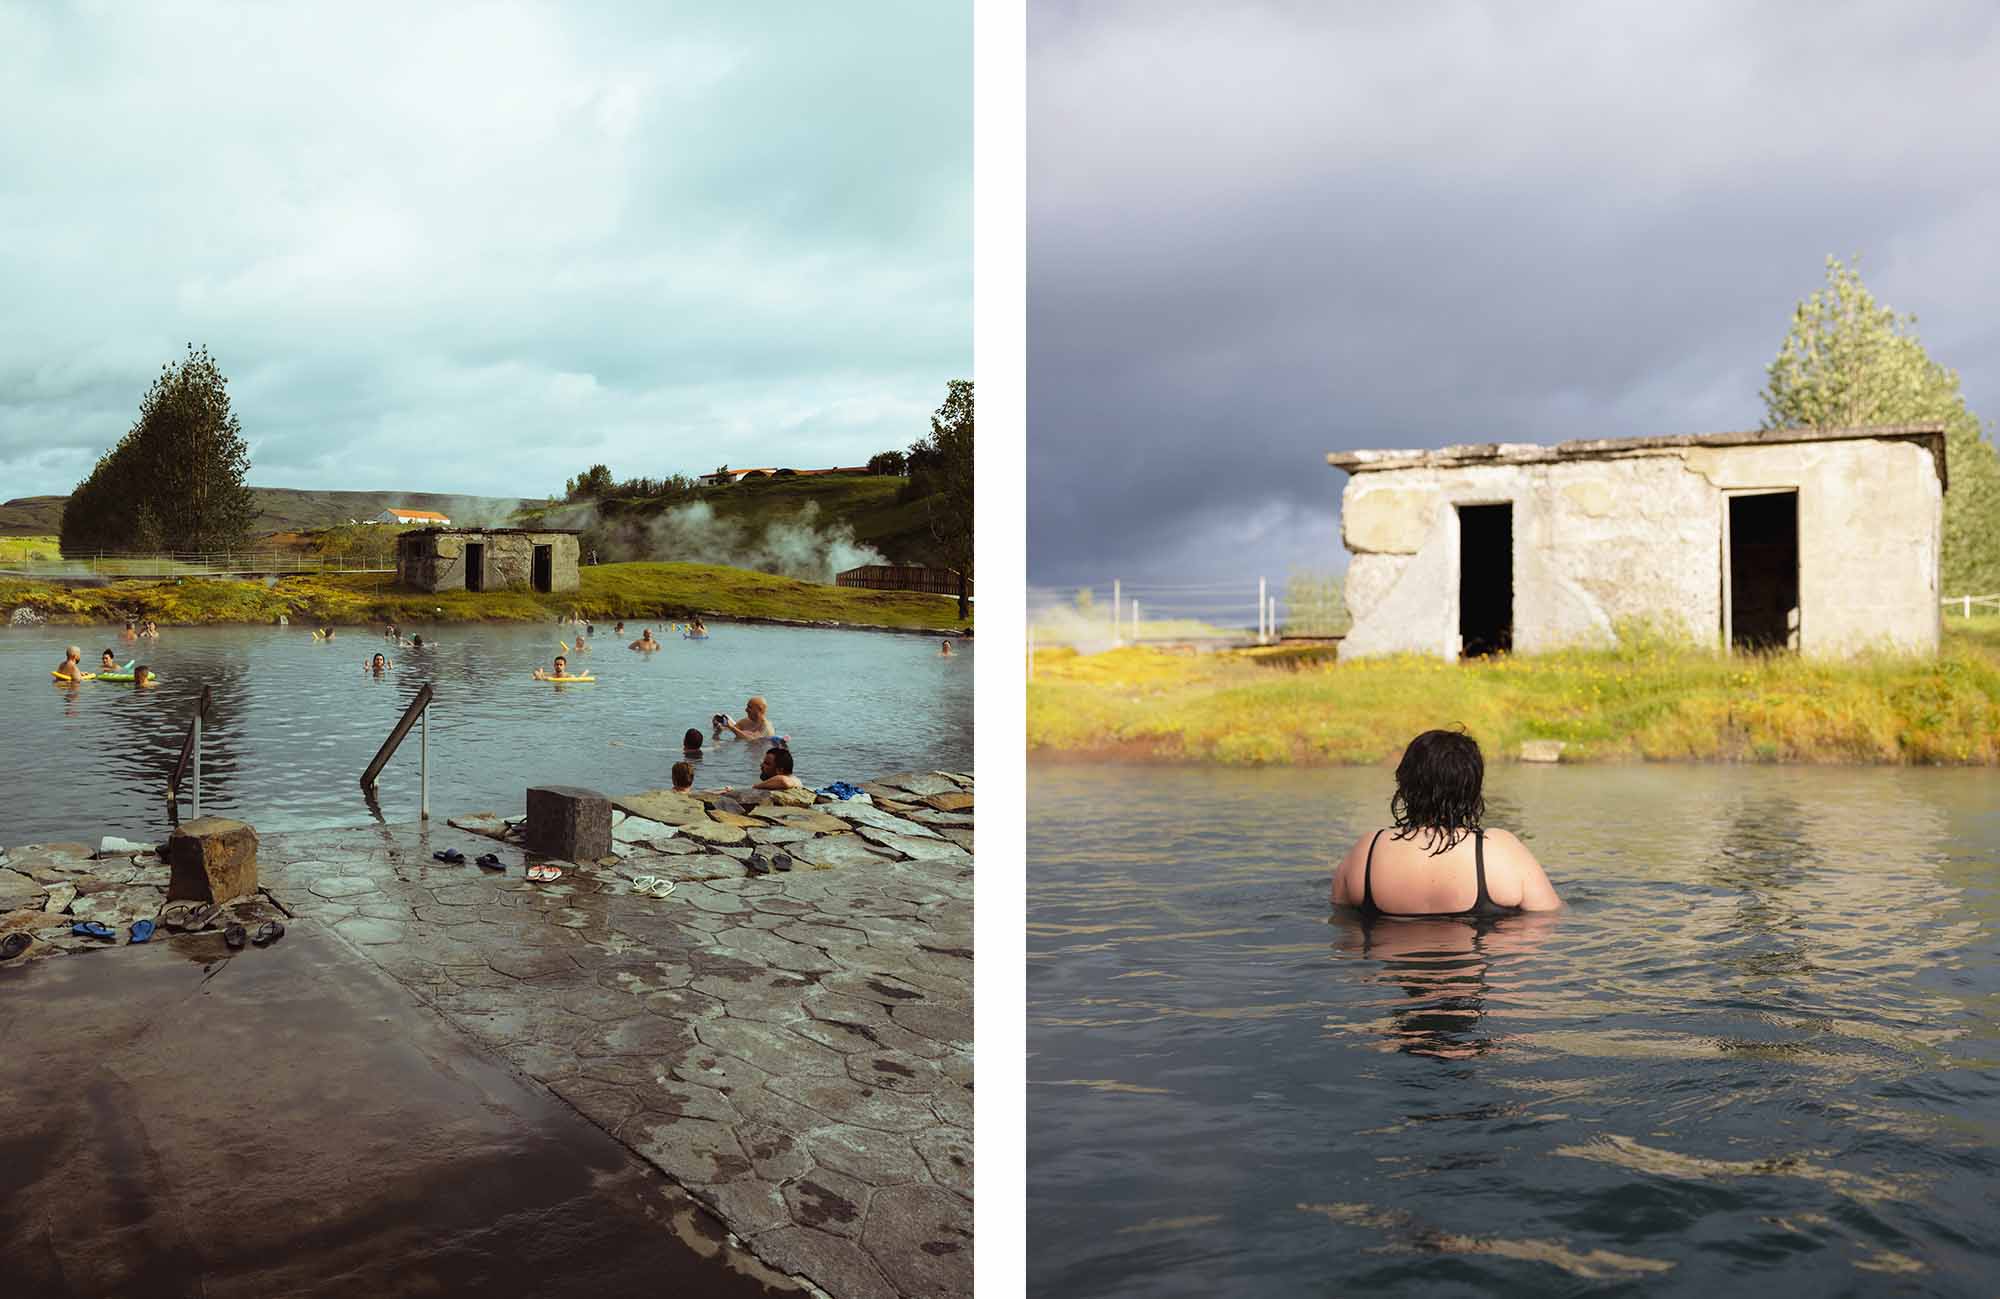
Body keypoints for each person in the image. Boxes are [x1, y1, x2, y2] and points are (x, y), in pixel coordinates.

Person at [1331, 729, 1562, 916]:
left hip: (1393, 971)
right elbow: (1549, 915)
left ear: (1405, 783)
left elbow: (1341, 922)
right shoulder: (1499, 849)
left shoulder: (1368, 849)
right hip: (1477, 964)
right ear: (1473, 788)